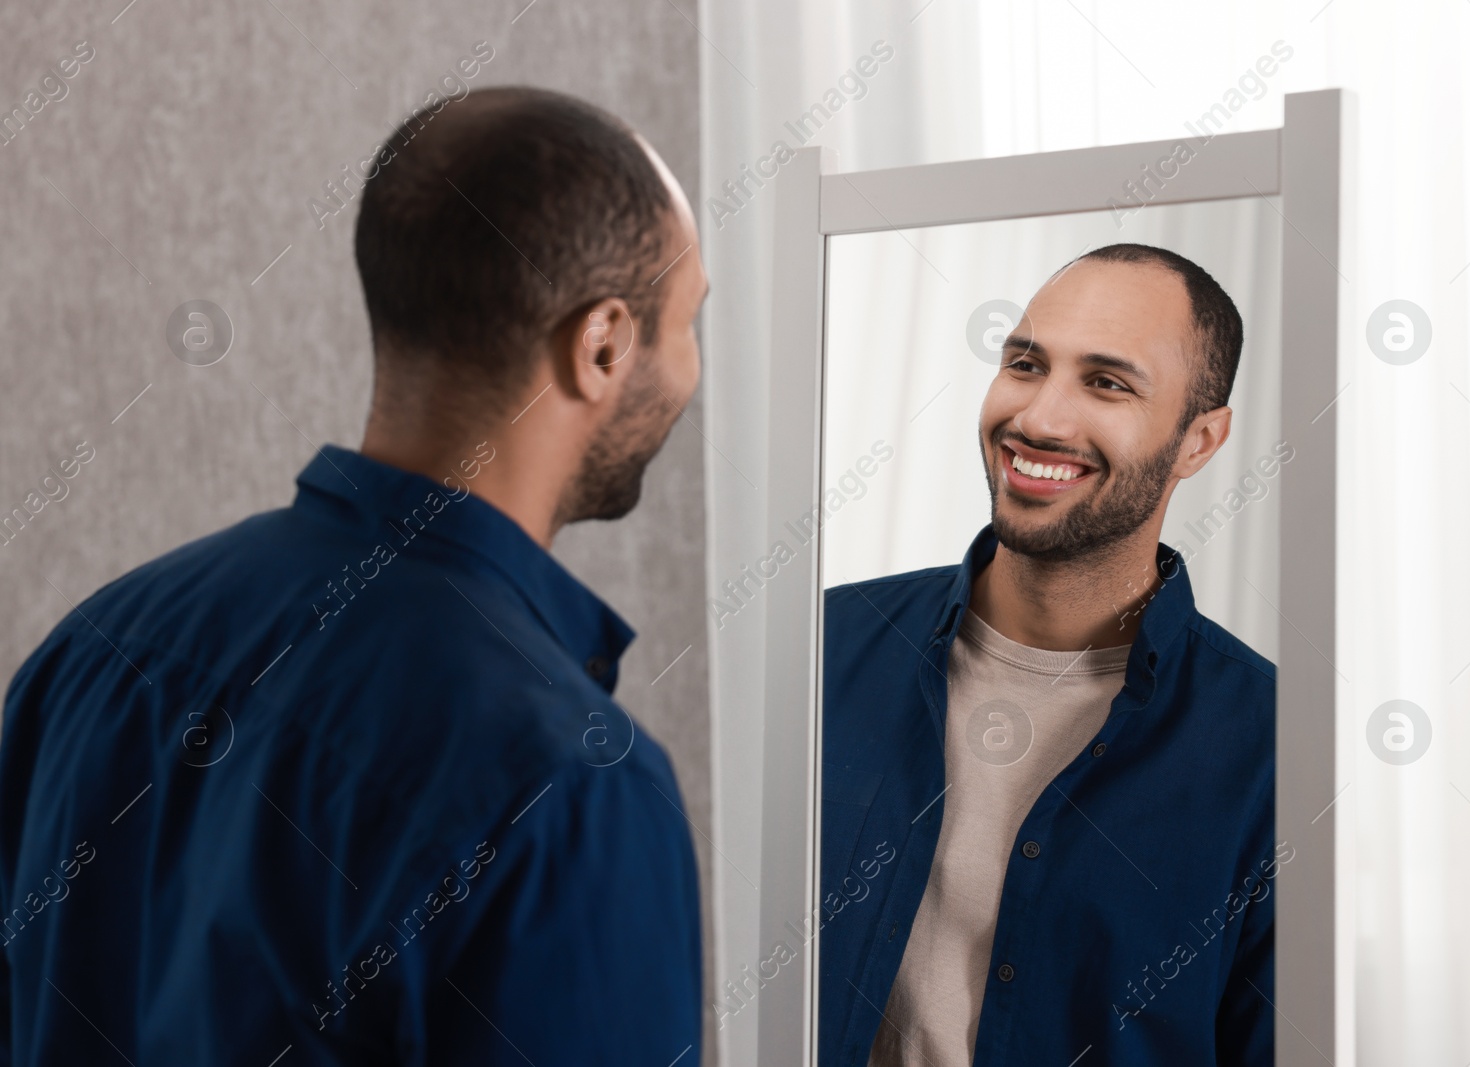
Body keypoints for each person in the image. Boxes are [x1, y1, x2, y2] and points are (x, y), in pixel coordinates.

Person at [0, 87, 708, 1065]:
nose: (690, 369)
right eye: (690, 322)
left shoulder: (91, 650)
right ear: (602, 345)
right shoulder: (567, 786)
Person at [819, 244, 1282, 1066]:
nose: (1038, 419)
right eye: (1025, 364)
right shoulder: (823, 646)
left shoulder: (1273, 745)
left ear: (1199, 440)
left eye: (1107, 382)